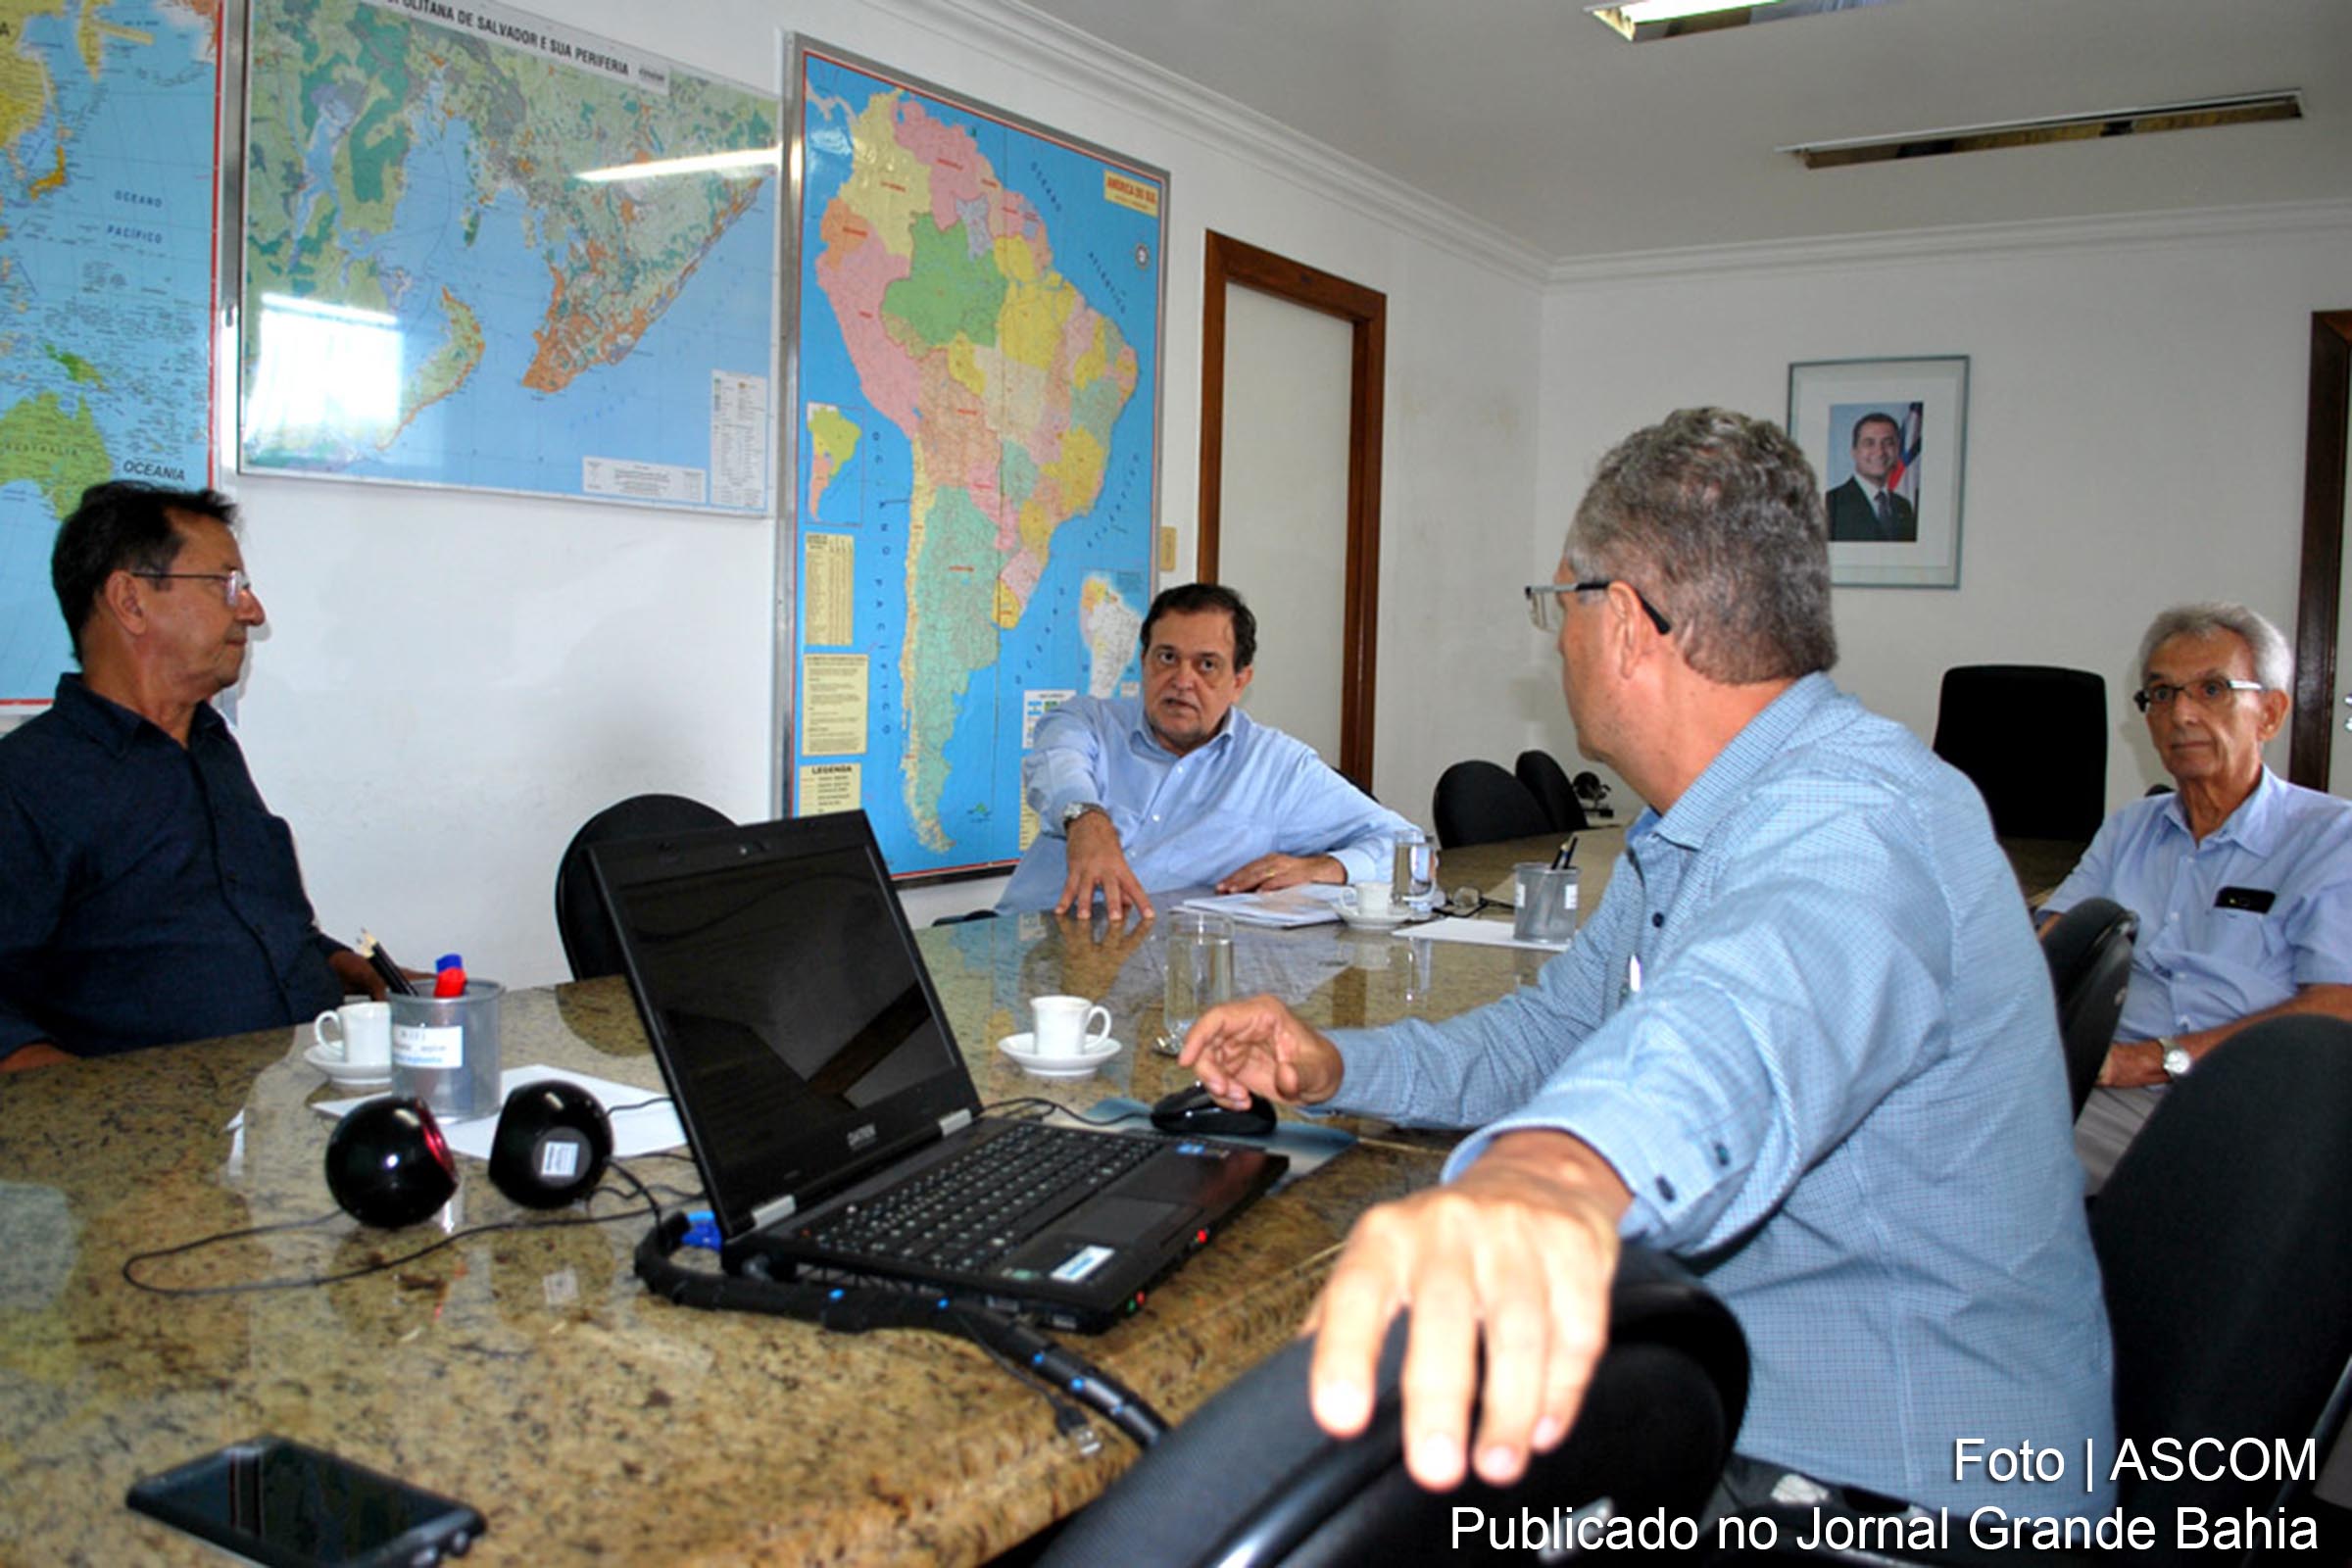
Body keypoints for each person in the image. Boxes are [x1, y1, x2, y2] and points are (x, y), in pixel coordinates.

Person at [1181, 409, 2111, 1517]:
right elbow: (1551, 1040)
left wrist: (1550, 1175)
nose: (1556, 636)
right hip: (1758, 1415)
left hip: (1907, 1497)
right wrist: (1337, 1063)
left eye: (1559, 601)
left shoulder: (1860, 817)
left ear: (1621, 622)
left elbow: (1747, 1022)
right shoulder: (1689, 826)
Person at [0, 482, 379, 1071]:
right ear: (130, 601)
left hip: (297, 1089)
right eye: (228, 585)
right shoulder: (25, 782)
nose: (252, 611)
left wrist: (369, 976)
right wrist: (97, 1107)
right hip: (153, 1137)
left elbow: (254, 929)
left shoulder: (210, 747)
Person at [2042, 602, 2352, 1187]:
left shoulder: (2331, 838)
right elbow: (2052, 946)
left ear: (2271, 713)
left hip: (2242, 1100)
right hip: (2100, 1083)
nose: (2181, 713)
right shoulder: (2130, 830)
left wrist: (2155, 1060)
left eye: (2212, 689)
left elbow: (2341, 1003)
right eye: (2161, 694)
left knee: (1973, 1162)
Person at [998, 583, 1414, 918]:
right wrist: (1085, 818)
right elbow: (1060, 765)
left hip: (1162, 968)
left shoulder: (1277, 767)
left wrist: (1326, 868)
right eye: (1167, 657)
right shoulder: (1086, 721)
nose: (1182, 680)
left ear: (1240, 680)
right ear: (1143, 662)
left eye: (1207, 665)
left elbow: (1410, 852)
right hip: (1032, 944)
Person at [1823, 410, 1916, 543]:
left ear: (1897, 451)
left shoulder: (1903, 506)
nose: (1879, 452)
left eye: (1888, 443)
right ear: (1854, 451)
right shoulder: (1831, 503)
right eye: (1869, 443)